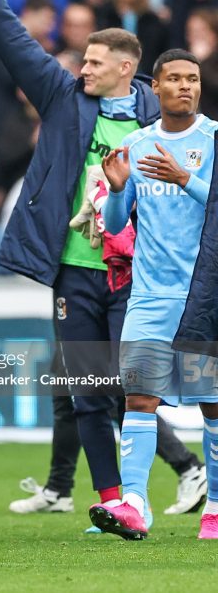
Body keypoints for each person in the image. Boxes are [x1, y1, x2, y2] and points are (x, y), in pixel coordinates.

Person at [0, 0, 206, 526]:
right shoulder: (65, 97)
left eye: (92, 62)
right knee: (89, 387)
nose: (80, 68)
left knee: (129, 383)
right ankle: (113, 500)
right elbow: (13, 43)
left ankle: (163, 481)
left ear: (125, 67)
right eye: (80, 60)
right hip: (74, 270)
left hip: (137, 271)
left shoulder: (157, 111)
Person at [91, 49, 218, 540]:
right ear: (157, 88)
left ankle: (214, 509)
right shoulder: (136, 144)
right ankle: (135, 505)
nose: (185, 86)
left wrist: (185, 179)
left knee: (212, 405)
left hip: (204, 297)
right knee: (139, 398)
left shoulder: (213, 140)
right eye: (175, 79)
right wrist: (119, 189)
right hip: (150, 295)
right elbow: (118, 224)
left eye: (193, 79)